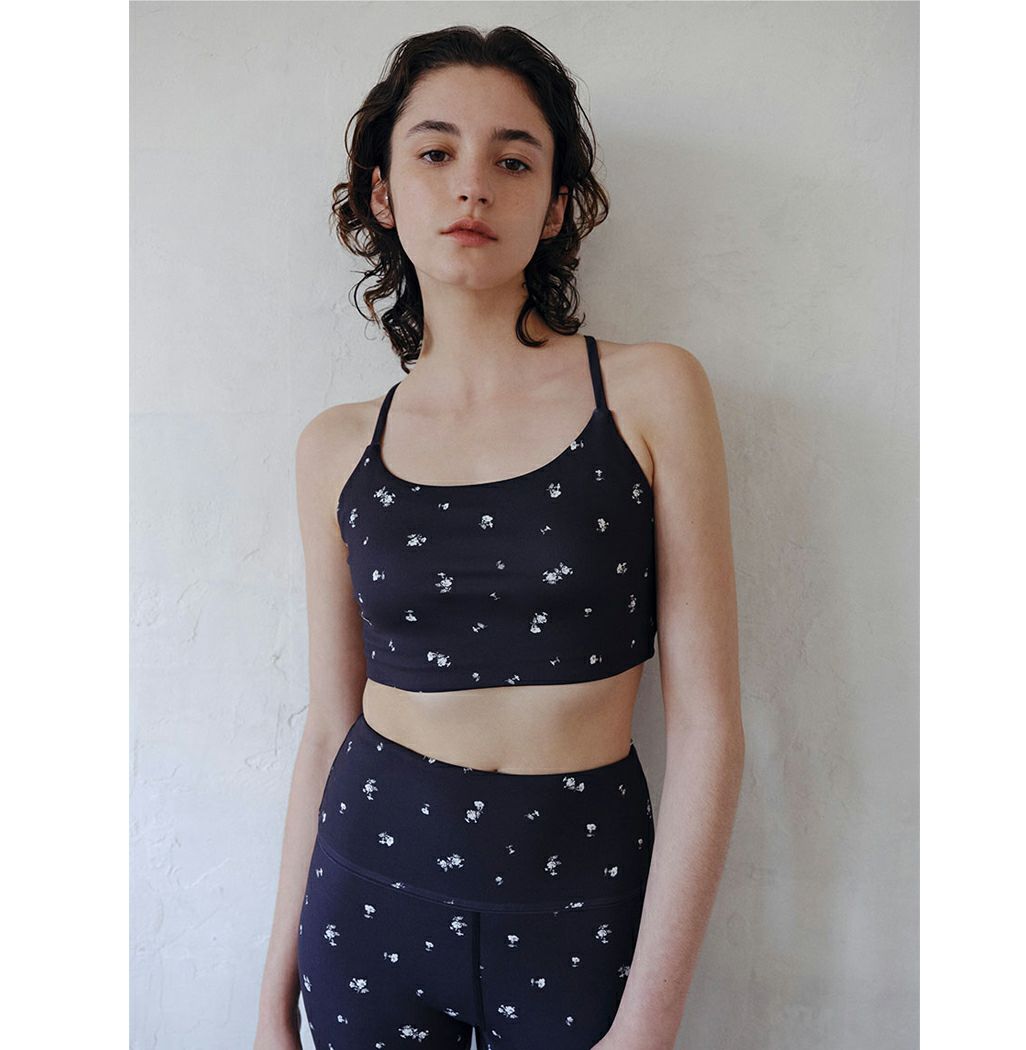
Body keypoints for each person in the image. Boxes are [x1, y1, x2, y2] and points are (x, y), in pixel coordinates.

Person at [254, 25, 744, 1050]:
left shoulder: (650, 393)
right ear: (383, 194)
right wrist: (269, 1006)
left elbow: (708, 726)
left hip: (577, 903)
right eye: (435, 152)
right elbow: (328, 729)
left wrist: (650, 1022)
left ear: (556, 205)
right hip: (368, 892)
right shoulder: (336, 446)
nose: (472, 184)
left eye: (514, 160)